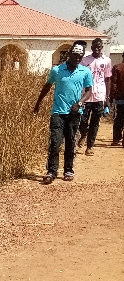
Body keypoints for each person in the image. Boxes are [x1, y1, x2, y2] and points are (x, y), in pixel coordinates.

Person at [34, 42, 93, 183]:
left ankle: (68, 170)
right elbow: (47, 86)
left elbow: (89, 91)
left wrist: (79, 103)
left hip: (74, 113)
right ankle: (51, 171)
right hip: (58, 112)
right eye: (75, 55)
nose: (77, 58)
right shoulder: (57, 70)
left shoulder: (85, 72)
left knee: (70, 142)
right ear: (70, 54)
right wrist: (38, 103)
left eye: (80, 56)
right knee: (55, 142)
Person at [77, 38, 111, 155]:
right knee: (82, 120)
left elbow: (107, 80)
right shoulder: (85, 60)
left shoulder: (107, 61)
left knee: (95, 122)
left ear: (102, 47)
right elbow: (80, 78)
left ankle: (89, 146)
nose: (97, 49)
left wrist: (107, 98)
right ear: (91, 48)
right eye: (95, 47)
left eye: (99, 47)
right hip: (86, 96)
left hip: (99, 95)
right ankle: (84, 133)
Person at [110, 55, 124, 146]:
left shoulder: (117, 67)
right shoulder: (117, 68)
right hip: (120, 97)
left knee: (119, 117)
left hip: (120, 97)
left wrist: (112, 96)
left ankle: (116, 138)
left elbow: (114, 83)